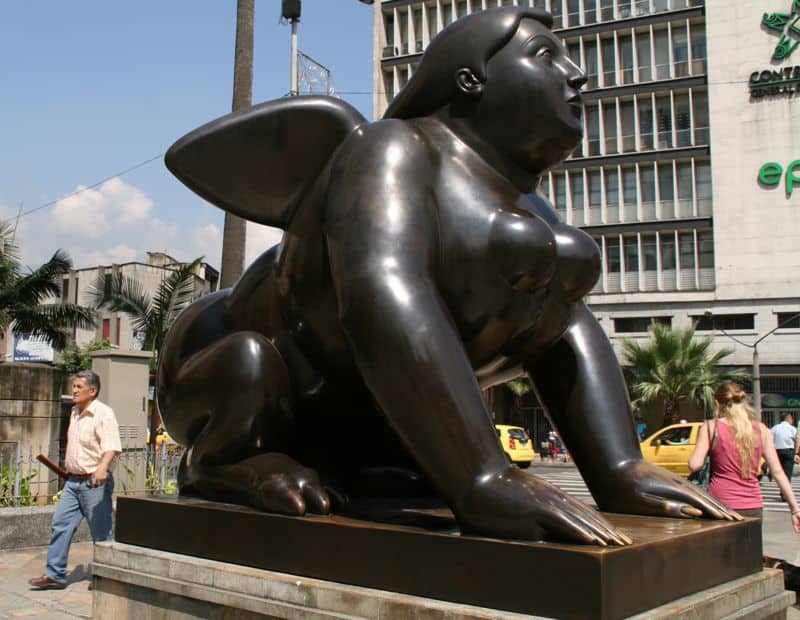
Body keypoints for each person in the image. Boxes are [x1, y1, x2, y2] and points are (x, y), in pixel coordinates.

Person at [156, 6, 738, 547]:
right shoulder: (390, 148)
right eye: (544, 56)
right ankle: (222, 464)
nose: (575, 75)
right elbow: (383, 294)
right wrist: (481, 478)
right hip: (240, 371)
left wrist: (619, 468)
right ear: (469, 81)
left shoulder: (527, 202)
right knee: (251, 363)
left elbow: (562, 325)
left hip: (354, 416)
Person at [29, 370, 121, 590]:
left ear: (93, 390)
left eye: (79, 387)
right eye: (74, 387)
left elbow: (112, 446)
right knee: (61, 524)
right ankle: (55, 575)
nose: (75, 391)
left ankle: (105, 577)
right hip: (72, 482)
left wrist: (102, 469)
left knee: (101, 531)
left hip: (94, 483)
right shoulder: (74, 413)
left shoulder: (104, 413)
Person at [689, 382, 800, 529]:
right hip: (753, 505)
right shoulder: (761, 430)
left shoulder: (710, 427)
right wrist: (795, 509)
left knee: (722, 551)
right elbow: (778, 472)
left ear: (717, 403)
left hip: (721, 504)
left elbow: (694, 464)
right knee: (749, 551)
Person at [771, 413, 798, 498]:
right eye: (791, 419)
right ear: (788, 418)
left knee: (779, 474)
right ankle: (784, 494)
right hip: (789, 452)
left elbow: (770, 440)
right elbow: (797, 440)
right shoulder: (792, 428)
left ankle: (782, 491)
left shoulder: (775, 428)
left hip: (777, 452)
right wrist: (796, 453)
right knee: (787, 474)